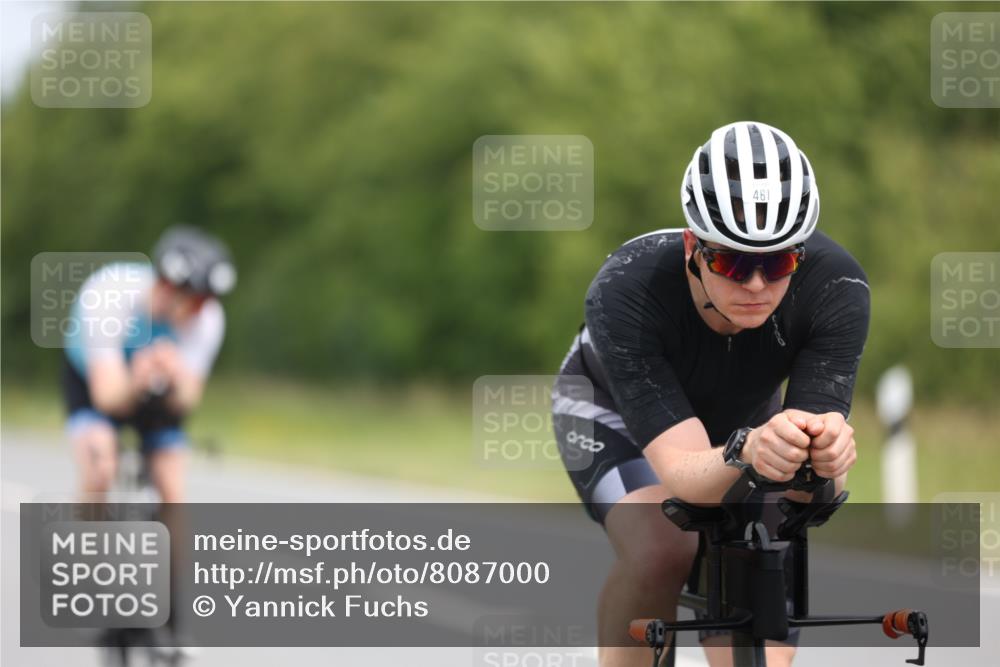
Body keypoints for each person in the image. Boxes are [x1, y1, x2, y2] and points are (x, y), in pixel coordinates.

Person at [552, 121, 870, 667]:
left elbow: (808, 495)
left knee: (766, 552)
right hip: (610, 411)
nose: (755, 285)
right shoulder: (627, 286)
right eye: (732, 262)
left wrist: (828, 463)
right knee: (661, 548)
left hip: (747, 419)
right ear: (691, 247)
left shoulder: (836, 287)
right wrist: (748, 451)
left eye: (777, 263)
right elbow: (683, 478)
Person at [62, 224, 235, 503]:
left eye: (204, 302)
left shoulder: (209, 319)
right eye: (194, 301)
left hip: (158, 390)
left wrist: (177, 379)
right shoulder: (108, 295)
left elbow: (187, 401)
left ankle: (175, 547)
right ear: (165, 286)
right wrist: (137, 381)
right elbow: (107, 398)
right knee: (99, 470)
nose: (199, 312)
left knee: (171, 484)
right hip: (93, 382)